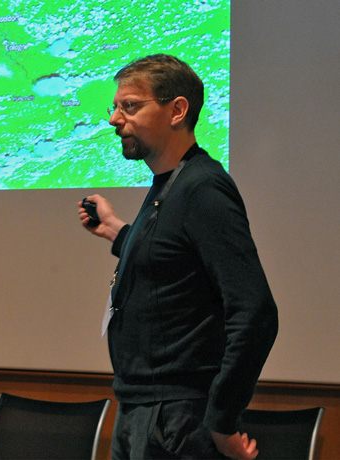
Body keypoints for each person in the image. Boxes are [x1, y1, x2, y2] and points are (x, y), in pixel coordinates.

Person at [78, 54, 278, 459]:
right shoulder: (170, 185)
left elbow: (255, 311)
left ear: (177, 110)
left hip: (178, 421)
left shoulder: (203, 188)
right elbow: (169, 258)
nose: (115, 119)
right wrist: (117, 231)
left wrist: (222, 419)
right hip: (142, 410)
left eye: (130, 106)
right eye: (115, 107)